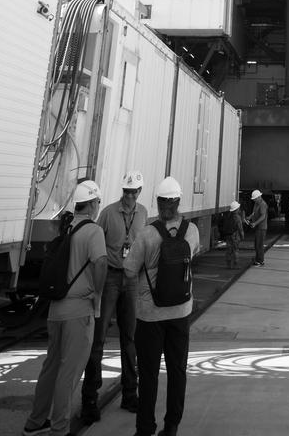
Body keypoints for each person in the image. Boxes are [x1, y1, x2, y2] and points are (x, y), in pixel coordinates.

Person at [24, 180, 107, 436]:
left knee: (51, 368)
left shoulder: (67, 228)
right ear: (92, 204)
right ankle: (60, 428)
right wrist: (97, 294)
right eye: (97, 202)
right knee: (69, 374)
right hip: (78, 313)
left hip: (56, 310)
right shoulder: (93, 231)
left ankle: (35, 423)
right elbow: (101, 264)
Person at [124, 176, 200, 436]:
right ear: (178, 202)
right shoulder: (192, 231)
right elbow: (191, 258)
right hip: (181, 311)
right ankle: (172, 426)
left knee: (148, 373)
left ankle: (145, 428)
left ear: (158, 203)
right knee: (178, 370)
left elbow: (129, 270)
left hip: (150, 314)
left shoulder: (146, 234)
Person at [80, 170, 148, 422]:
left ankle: (130, 393)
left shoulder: (143, 214)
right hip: (109, 278)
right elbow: (95, 245)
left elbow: (142, 245)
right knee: (98, 339)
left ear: (140, 192)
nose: (129, 196)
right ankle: (89, 399)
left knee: (129, 339)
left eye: (134, 192)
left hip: (130, 280)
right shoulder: (108, 214)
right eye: (126, 192)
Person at [246, 189, 268, 266]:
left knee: (259, 244)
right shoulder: (257, 203)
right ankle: (258, 260)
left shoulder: (262, 204)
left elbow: (263, 216)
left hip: (261, 228)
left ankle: (261, 261)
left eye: (255, 199)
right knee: (256, 244)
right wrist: (249, 217)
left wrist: (255, 223)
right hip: (258, 227)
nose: (254, 200)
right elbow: (254, 213)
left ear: (259, 197)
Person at [221, 200, 243, 268]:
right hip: (235, 235)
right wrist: (242, 235)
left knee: (229, 250)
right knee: (235, 250)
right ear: (236, 209)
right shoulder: (237, 217)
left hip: (228, 235)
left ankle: (228, 265)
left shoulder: (228, 216)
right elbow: (240, 228)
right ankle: (235, 265)